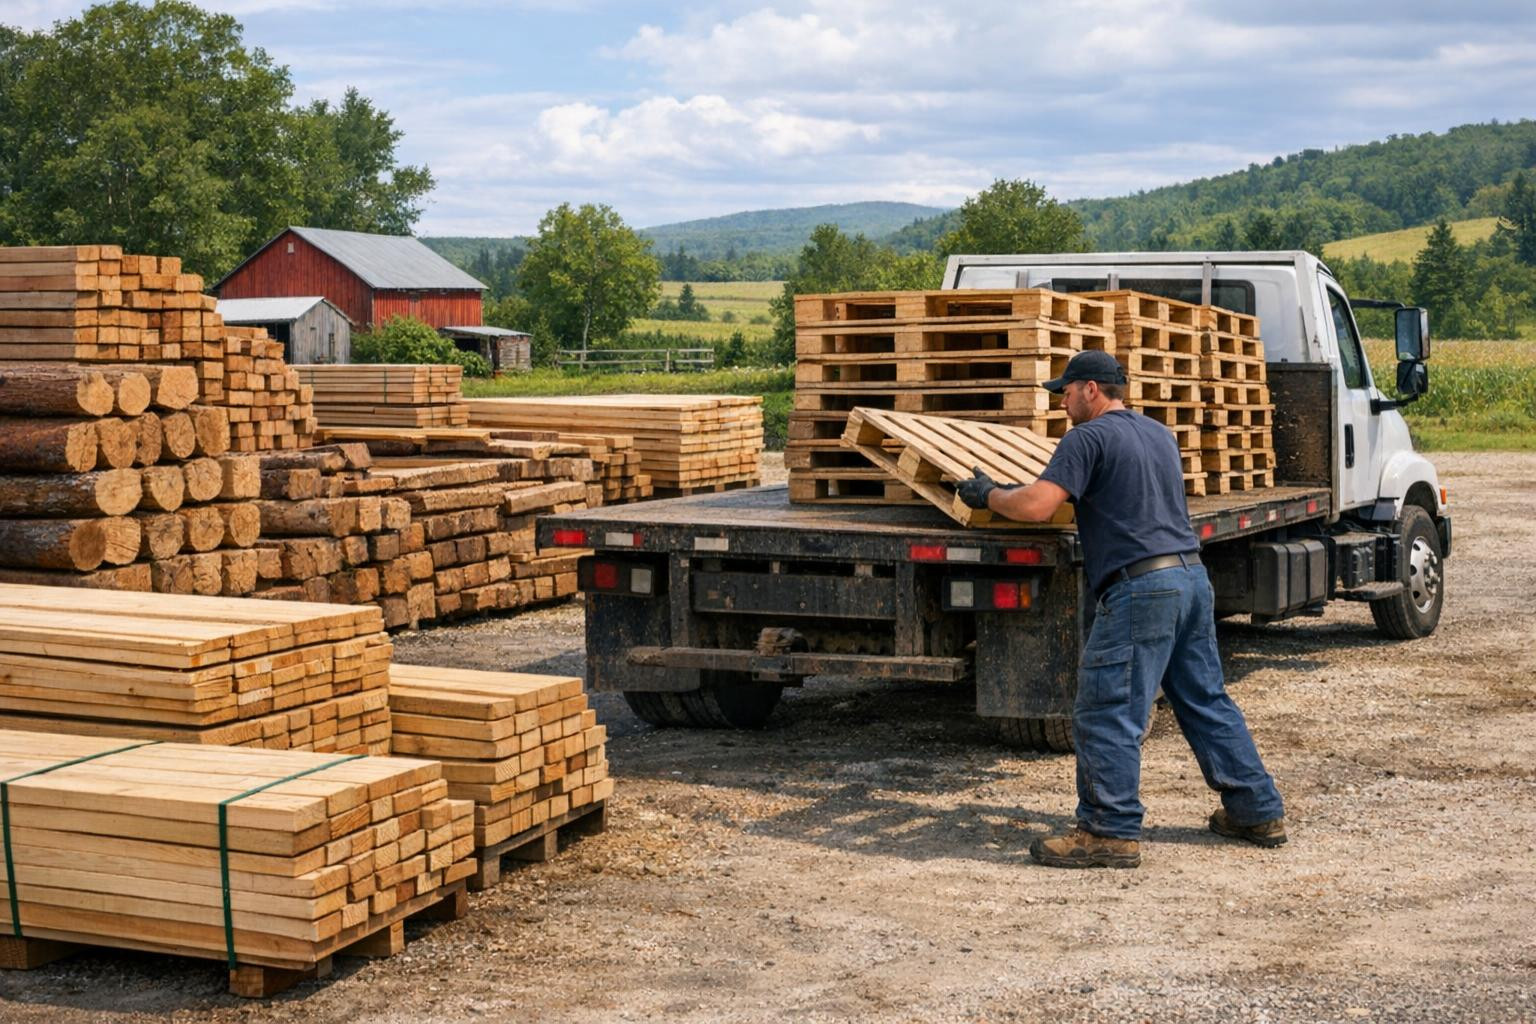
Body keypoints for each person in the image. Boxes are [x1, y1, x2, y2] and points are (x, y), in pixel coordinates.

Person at [956, 349, 1286, 869]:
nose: (1061, 402)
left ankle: (1107, 829)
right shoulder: (1157, 434)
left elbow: (1039, 506)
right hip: (1189, 578)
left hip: (1142, 590)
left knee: (1107, 709)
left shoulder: (1086, 438)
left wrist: (989, 495)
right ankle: (1256, 810)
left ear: (1091, 389)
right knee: (1205, 701)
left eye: (1066, 391)